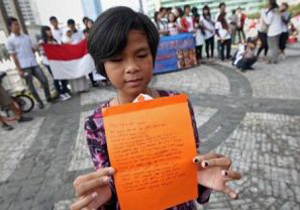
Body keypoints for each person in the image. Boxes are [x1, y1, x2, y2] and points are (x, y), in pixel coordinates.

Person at [70, 6, 241, 210]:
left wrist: (202, 179)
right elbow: (110, 185)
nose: (132, 67)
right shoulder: (97, 125)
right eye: (117, 59)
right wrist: (103, 198)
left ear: (153, 55)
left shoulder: (178, 105)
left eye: (141, 55)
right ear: (102, 65)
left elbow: (190, 166)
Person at [5, 17, 53, 109]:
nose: (18, 26)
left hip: (34, 63)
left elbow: (33, 49)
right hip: (24, 66)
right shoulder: (9, 41)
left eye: (18, 24)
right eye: (15, 24)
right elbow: (13, 56)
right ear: (10, 27)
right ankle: (39, 102)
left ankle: (48, 97)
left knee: (44, 80)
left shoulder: (26, 37)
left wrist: (38, 46)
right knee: (31, 86)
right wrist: (19, 70)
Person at [39, 26, 71, 101]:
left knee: (62, 76)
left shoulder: (54, 40)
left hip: (58, 61)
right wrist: (49, 47)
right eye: (47, 31)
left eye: (50, 30)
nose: (49, 32)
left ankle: (65, 90)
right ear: (44, 32)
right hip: (49, 62)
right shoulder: (42, 42)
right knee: (56, 77)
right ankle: (60, 93)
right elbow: (42, 52)